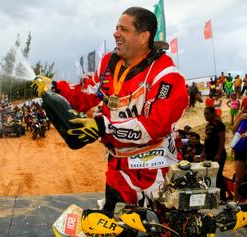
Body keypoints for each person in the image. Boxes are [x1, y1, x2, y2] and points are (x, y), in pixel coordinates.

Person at [32, 7, 188, 212]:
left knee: (162, 228)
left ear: (143, 37)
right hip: (119, 165)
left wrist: (102, 126)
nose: (115, 33)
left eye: (123, 29)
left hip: (155, 169)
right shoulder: (108, 63)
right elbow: (87, 95)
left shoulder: (167, 76)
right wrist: (55, 88)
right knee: (112, 226)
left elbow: (154, 126)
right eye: (116, 28)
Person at [203, 107, 227, 203]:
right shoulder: (208, 125)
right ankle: (212, 198)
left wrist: (219, 154)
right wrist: (204, 152)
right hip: (209, 154)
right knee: (210, 176)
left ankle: (222, 198)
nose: (205, 115)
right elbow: (207, 139)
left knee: (218, 175)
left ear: (213, 113)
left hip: (217, 154)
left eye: (207, 113)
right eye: (205, 114)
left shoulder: (219, 124)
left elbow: (222, 140)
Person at [231, 102, 247, 202]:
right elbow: (233, 130)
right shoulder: (241, 114)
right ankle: (236, 200)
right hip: (241, 148)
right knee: (239, 178)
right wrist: (241, 118)